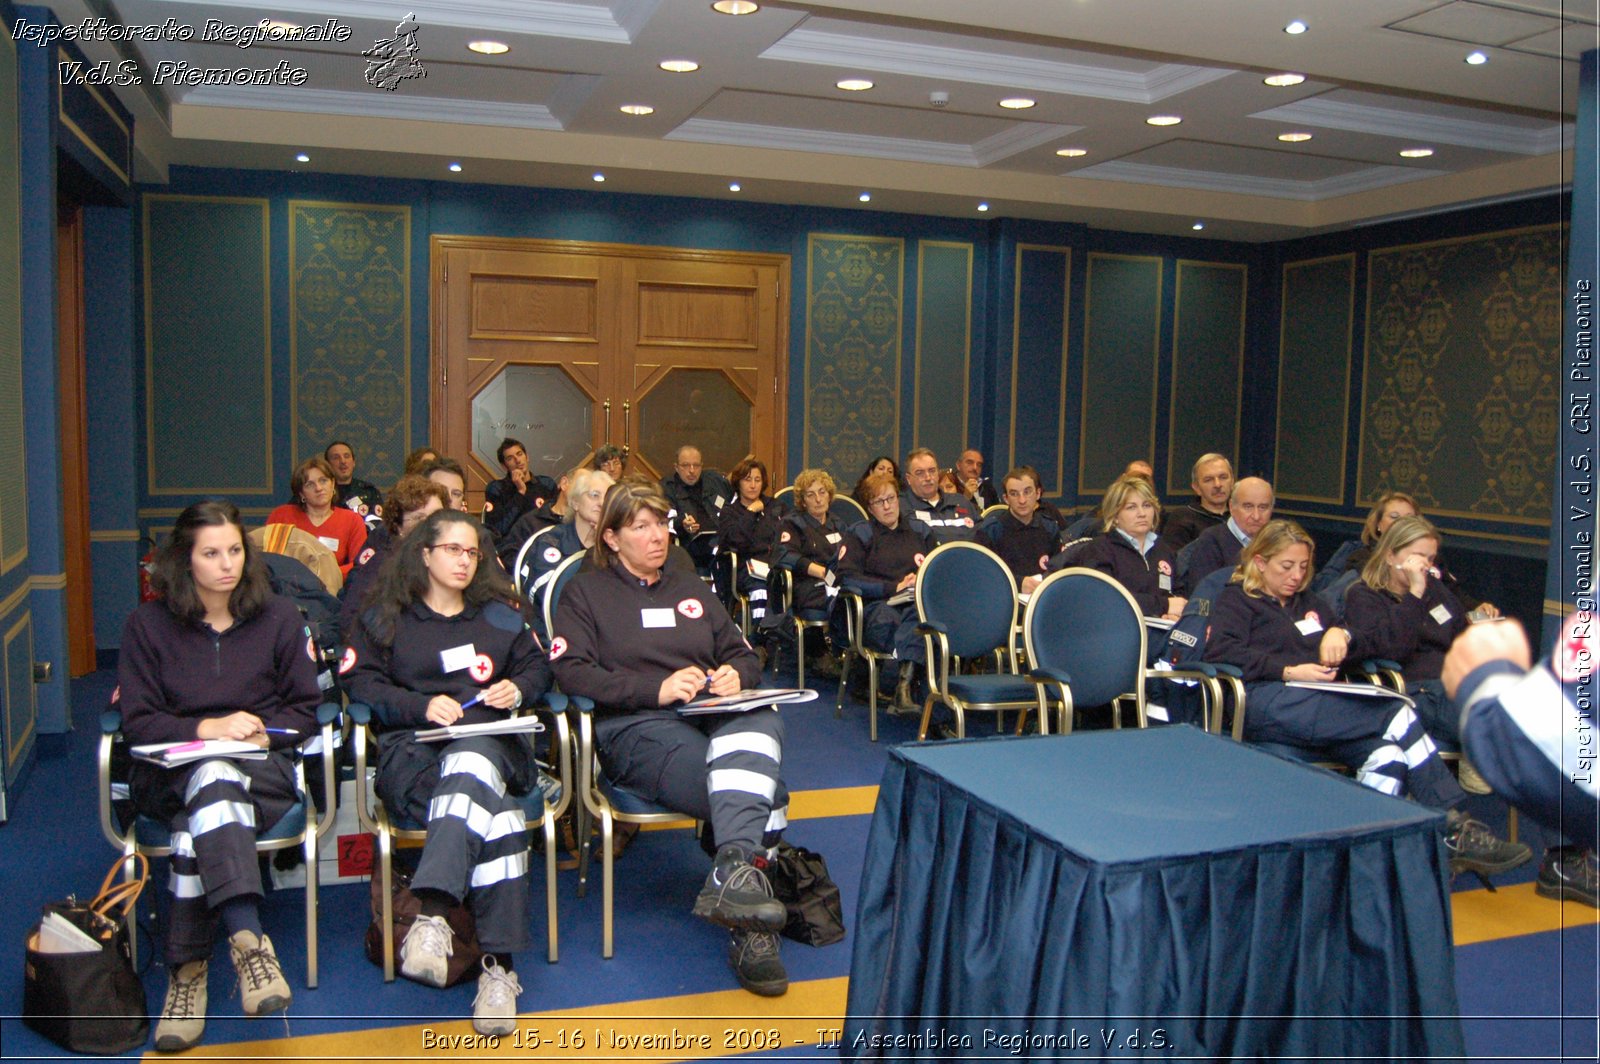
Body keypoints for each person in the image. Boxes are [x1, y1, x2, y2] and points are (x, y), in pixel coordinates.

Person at [549, 483, 790, 996]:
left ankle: (732, 876)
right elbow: (571, 674)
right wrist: (651, 689)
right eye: (641, 526)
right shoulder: (586, 593)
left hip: (707, 712)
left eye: (661, 524)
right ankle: (754, 928)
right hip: (634, 725)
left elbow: (742, 651)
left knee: (762, 715)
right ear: (611, 538)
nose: (658, 536)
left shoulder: (688, 587)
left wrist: (735, 674)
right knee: (762, 789)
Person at [1202, 519, 1528, 878]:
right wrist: (1288, 670)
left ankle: (1362, 860)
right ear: (1260, 562)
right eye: (1286, 566)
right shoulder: (1239, 599)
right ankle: (1453, 824)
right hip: (1267, 700)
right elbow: (1221, 652)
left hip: (1323, 702)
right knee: (1394, 711)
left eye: (1303, 566)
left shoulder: (1310, 603)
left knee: (1386, 755)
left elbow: (1357, 642)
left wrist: (1342, 633)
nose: (1296, 575)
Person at [116, 501, 318, 1052]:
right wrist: (209, 728)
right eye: (211, 553)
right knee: (209, 780)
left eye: (234, 550)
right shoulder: (147, 625)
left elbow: (305, 710)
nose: (227, 564)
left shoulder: (277, 617)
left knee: (198, 820)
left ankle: (187, 977)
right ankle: (249, 942)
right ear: (184, 561)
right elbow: (136, 722)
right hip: (168, 774)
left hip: (263, 773)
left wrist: (260, 734)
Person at [343, 509, 552, 1034]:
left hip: (493, 749)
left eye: (471, 552)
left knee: (474, 755)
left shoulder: (499, 615)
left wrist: (518, 689)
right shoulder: (387, 618)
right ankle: (499, 970)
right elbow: (362, 687)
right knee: (501, 819)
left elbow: (539, 665)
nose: (464, 560)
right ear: (424, 554)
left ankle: (433, 914)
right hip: (414, 760)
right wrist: (420, 706)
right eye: (452, 550)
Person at [1444, 614, 1598, 907]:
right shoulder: (1371, 598)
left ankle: (1568, 860)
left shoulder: (1442, 590)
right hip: (1428, 689)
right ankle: (1562, 861)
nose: (1425, 565)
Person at [1342, 515, 1492, 790]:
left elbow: (1459, 632)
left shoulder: (1437, 591)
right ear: (1390, 555)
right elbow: (1395, 648)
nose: (1425, 565)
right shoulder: (1364, 596)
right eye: (1417, 556)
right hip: (1409, 691)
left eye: (1430, 558)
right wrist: (1415, 593)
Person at [838, 470, 935, 708]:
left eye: (891, 499)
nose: (887, 506)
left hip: (914, 602)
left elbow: (937, 568)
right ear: (870, 509)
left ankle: (905, 687)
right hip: (877, 606)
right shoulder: (860, 533)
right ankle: (909, 687)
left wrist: (920, 579)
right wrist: (894, 587)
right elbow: (847, 579)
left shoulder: (920, 530)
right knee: (913, 626)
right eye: (879, 502)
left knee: (924, 618)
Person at [340, 475, 450, 635]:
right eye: (419, 518)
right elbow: (351, 620)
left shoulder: (458, 558)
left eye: (436, 516)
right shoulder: (381, 564)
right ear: (398, 526)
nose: (430, 524)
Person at [1069, 474, 1186, 620]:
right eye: (1131, 507)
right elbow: (1107, 599)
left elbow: (1178, 593)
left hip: (1162, 629)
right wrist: (1164, 605)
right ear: (1115, 515)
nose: (1142, 514)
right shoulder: (1100, 549)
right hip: (1117, 630)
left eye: (1147, 505)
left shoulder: (1163, 549)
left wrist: (1173, 613)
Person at [520, 467, 613, 635]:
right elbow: (553, 599)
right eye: (594, 495)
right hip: (554, 636)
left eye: (608, 498)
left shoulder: (615, 545)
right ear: (575, 502)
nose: (601, 503)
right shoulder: (550, 543)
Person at [772, 469, 845, 677]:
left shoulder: (838, 524)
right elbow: (785, 555)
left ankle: (848, 650)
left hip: (836, 581)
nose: (818, 499)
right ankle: (820, 652)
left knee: (854, 597)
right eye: (810, 495)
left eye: (822, 492)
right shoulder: (792, 523)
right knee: (834, 600)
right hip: (806, 584)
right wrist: (820, 571)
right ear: (803, 501)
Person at [267, 457, 369, 576]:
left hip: (334, 588)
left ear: (333, 484)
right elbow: (268, 559)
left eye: (323, 481)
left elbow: (359, 564)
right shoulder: (282, 516)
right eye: (310, 484)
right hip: (288, 588)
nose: (319, 488)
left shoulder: (351, 520)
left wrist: (326, 575)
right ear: (301, 494)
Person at [719, 456, 787, 626]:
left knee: (793, 586)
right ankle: (759, 634)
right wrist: (750, 512)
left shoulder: (776, 507)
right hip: (746, 567)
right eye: (747, 480)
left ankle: (783, 635)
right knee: (760, 588)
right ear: (738, 483)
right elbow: (736, 540)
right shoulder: (730, 511)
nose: (753, 485)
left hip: (775, 565)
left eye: (757, 480)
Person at [977, 466, 1063, 590]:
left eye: (1027, 492)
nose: (1022, 500)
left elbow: (1058, 569)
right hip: (1005, 598)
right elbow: (983, 575)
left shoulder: (1050, 527)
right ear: (1006, 499)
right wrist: (1018, 583)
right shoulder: (990, 532)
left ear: (1038, 493)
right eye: (1014, 494)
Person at [1180, 476, 1274, 585]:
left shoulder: (1277, 541)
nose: (1256, 516)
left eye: (1263, 507)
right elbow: (1205, 594)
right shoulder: (1211, 541)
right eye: (1248, 507)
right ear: (1232, 507)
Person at [661, 445, 732, 577]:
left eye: (696, 465)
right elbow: (664, 520)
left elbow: (733, 505)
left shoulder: (716, 482)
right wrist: (681, 523)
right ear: (676, 467)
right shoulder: (667, 488)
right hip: (690, 546)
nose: (692, 471)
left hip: (722, 541)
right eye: (686, 465)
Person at [497, 467, 573, 570]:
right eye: (581, 486)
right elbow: (508, 557)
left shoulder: (589, 525)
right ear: (564, 483)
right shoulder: (531, 521)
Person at [483, 438, 558, 541]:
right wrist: (520, 492)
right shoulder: (496, 489)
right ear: (504, 466)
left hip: (543, 544)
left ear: (527, 457)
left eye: (519, 454)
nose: (518, 460)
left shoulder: (546, 484)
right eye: (510, 458)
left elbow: (557, 520)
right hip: (510, 548)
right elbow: (497, 530)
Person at [900, 448, 976, 545]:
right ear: (909, 479)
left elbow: (982, 536)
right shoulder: (901, 507)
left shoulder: (960, 501)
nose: (928, 477)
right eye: (920, 473)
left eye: (932, 471)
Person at [1160, 453, 1234, 551]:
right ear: (1197, 488)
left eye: (1223, 477)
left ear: (1232, 482)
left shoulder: (1241, 516)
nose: (1217, 484)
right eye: (1208, 480)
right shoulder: (1183, 518)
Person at [325, 441, 383, 518]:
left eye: (347, 456)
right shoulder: (322, 493)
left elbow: (377, 524)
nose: (343, 461)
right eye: (336, 457)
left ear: (354, 462)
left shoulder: (370, 492)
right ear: (327, 464)